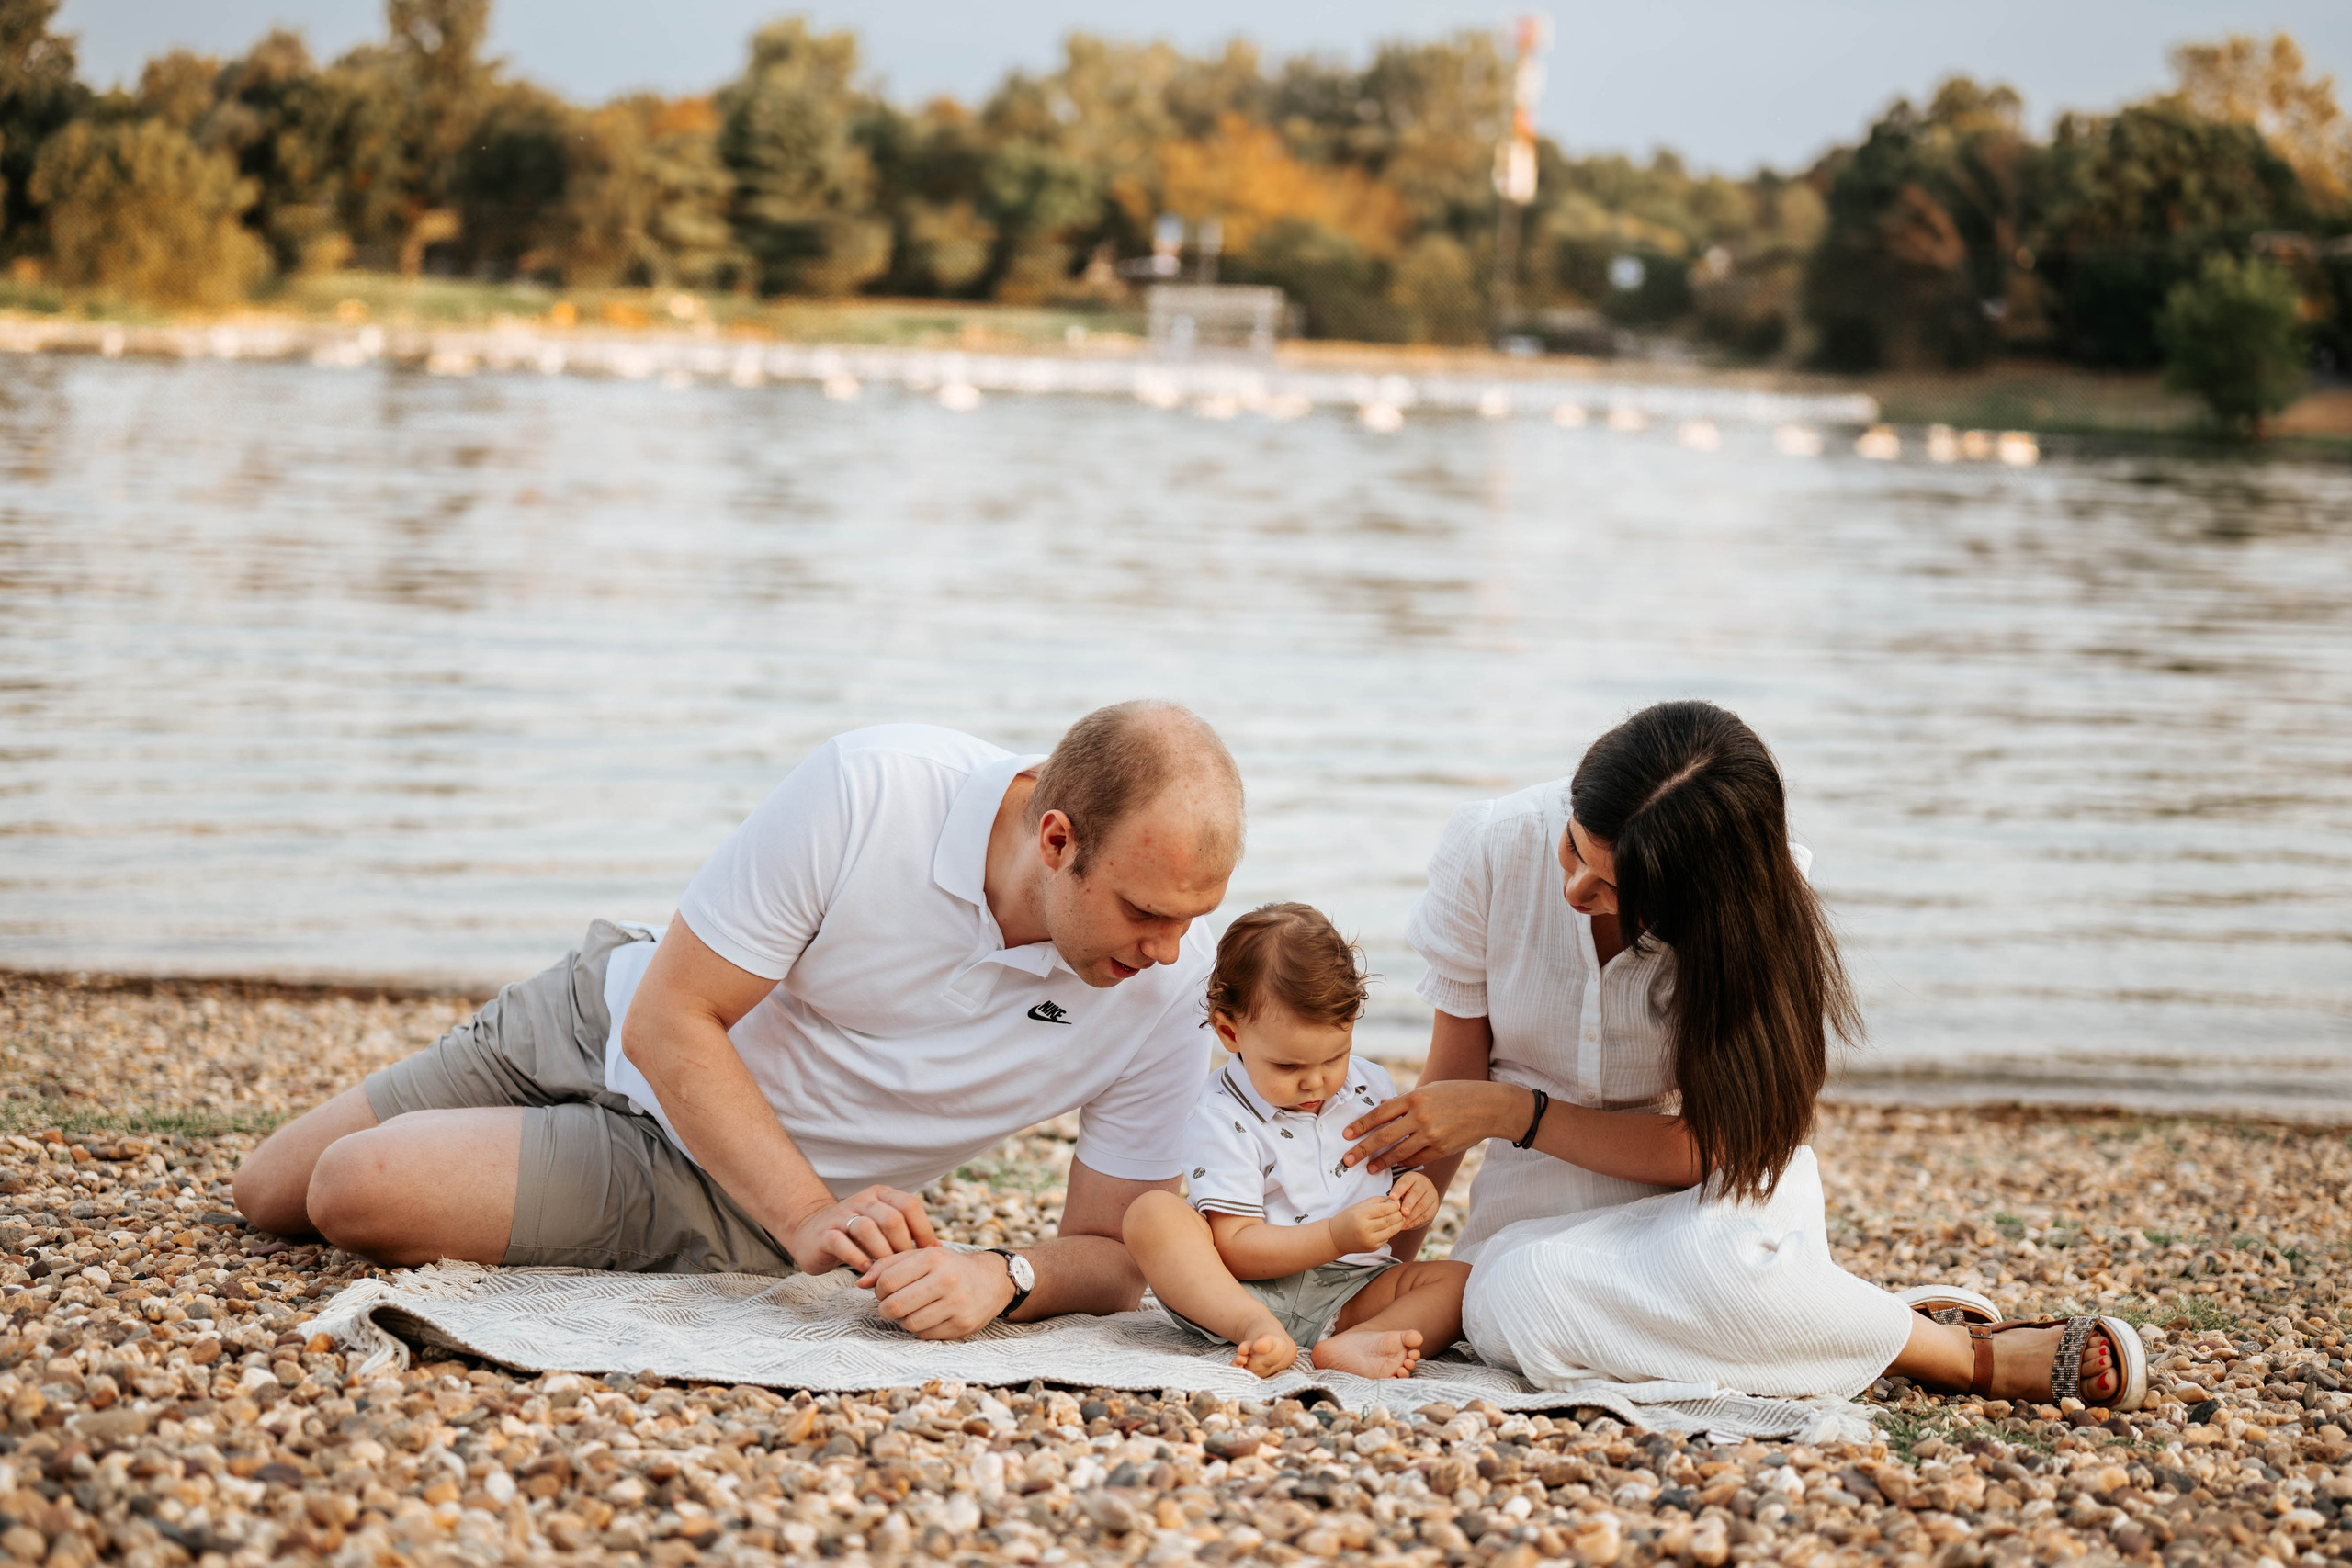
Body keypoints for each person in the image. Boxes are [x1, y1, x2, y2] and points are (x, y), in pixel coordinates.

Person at [233, 701, 1245, 1342]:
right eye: (1146, 913)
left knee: (355, 1186)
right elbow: (673, 1017)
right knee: (265, 1190)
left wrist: (1003, 1274)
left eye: (1192, 919)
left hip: (720, 1183)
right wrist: (814, 1214)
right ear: (1057, 839)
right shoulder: (873, 789)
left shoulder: (1172, 986)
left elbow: (1119, 1253)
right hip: (605, 1009)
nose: (1167, 950)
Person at [1341, 701, 2145, 1417]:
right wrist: (1373, 1265)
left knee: (1727, 1267)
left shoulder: (1754, 903)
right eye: (1572, 849)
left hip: (1706, 1210)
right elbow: (1452, 1080)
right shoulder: (1489, 844)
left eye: (1614, 886)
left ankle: (1958, 1353)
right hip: (1536, 1234)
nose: (1576, 889)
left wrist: (1518, 1112)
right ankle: (1820, 1317)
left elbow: (1713, 1149)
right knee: (1516, 1300)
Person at [1124, 903, 1470, 1380]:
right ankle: (1255, 1328)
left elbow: (1400, 1173)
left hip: (1354, 1290)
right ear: (1230, 1032)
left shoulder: (1369, 1087)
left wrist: (1417, 1194)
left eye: (1336, 1056)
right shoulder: (1224, 1115)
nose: (1316, 1084)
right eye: (1288, 1067)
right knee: (1152, 1215)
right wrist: (1334, 1236)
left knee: (1462, 1283)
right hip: (1244, 1289)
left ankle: (1355, 1341)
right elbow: (1235, 1245)